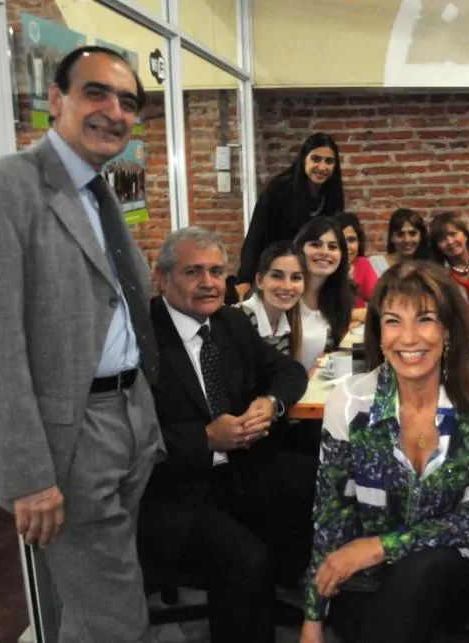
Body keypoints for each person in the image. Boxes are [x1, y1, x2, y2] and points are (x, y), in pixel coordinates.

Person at [0, 46, 162, 641]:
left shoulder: (99, 191)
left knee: (95, 608)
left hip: (129, 417)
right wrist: (27, 475)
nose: (114, 111)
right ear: (55, 103)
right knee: (117, 618)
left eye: (128, 102)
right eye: (97, 93)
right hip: (72, 437)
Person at [299, 261, 469, 643]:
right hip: (366, 576)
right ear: (378, 335)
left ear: (448, 331)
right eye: (393, 321)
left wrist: (382, 546)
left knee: (417, 575)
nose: (408, 338)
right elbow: (331, 513)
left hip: (450, 567)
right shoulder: (349, 402)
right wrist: (312, 621)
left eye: (425, 319)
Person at [138, 227, 312, 643]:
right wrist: (205, 439)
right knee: (244, 560)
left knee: (317, 477)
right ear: (162, 278)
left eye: (217, 271)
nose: (209, 283)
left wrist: (270, 403)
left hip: (238, 470)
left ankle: (281, 586)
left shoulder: (230, 322)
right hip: (173, 488)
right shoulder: (141, 336)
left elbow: (287, 372)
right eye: (193, 272)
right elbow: (133, 436)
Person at [237, 132, 345, 286]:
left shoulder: (333, 195)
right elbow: (256, 236)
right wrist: (245, 279)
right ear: (304, 160)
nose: (322, 167)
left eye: (329, 161)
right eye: (316, 159)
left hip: (314, 274)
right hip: (278, 270)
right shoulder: (278, 190)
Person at [294, 216, 354, 372]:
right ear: (300, 248)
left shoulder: (338, 300)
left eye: (333, 247)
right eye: (316, 244)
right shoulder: (286, 296)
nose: (325, 252)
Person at [234, 241, 306, 359]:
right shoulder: (238, 319)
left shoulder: (287, 324)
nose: (287, 286)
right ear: (259, 281)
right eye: (277, 276)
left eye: (296, 278)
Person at [429, 211, 469, 305]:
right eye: (442, 239)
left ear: (465, 235)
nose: (450, 242)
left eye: (453, 234)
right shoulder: (438, 275)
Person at [368, 207, 429, 277]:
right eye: (400, 234)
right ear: (391, 237)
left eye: (412, 233)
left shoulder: (427, 267)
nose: (407, 240)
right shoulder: (375, 264)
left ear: (421, 236)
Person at [337, 212, 378, 308]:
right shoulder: (325, 267)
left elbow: (379, 301)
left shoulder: (362, 264)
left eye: (351, 240)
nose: (346, 247)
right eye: (341, 241)